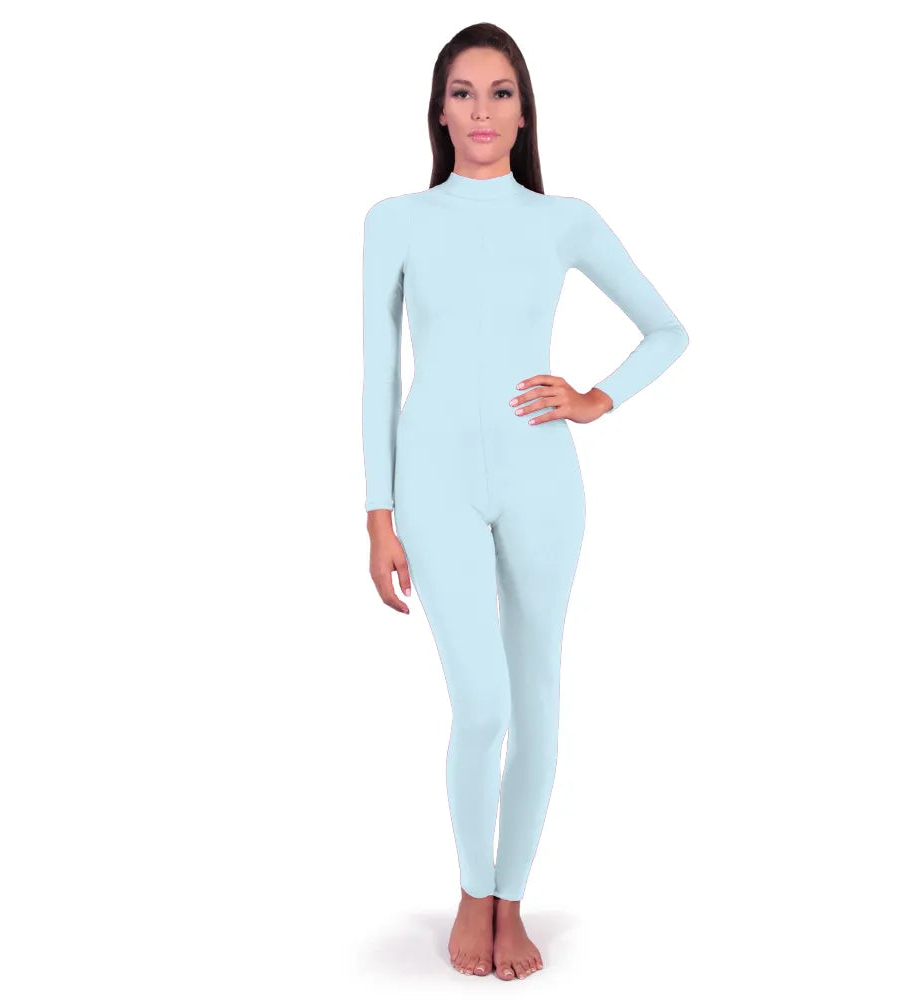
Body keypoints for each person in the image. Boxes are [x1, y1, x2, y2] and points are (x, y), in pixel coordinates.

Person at [362, 23, 689, 981]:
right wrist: (377, 513)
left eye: (500, 92)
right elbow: (378, 371)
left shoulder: (564, 221)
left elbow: (668, 330)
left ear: (523, 110)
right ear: (438, 110)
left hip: (542, 476)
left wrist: (595, 398)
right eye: (462, 92)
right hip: (432, 485)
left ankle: (513, 898)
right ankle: (474, 890)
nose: (481, 111)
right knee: (481, 702)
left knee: (537, 695)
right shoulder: (396, 220)